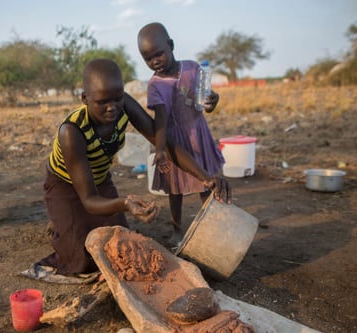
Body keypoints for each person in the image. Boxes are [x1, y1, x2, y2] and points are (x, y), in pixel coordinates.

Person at [38, 58, 230, 276]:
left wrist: (205, 177)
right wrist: (125, 203)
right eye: (102, 102)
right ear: (85, 98)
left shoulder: (123, 105)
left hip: (99, 180)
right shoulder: (72, 132)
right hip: (65, 185)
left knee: (119, 246)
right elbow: (90, 200)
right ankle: (61, 216)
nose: (112, 108)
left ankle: (67, 219)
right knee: (82, 260)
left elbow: (165, 144)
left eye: (117, 99)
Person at [137, 22, 228, 245]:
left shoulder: (193, 68)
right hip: (175, 142)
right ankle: (178, 231)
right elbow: (160, 120)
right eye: (148, 59)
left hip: (199, 134)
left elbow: (205, 101)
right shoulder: (155, 85)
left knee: (207, 184)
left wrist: (213, 102)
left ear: (171, 45)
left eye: (158, 54)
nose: (154, 61)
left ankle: (211, 228)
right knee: (175, 190)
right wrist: (160, 150)